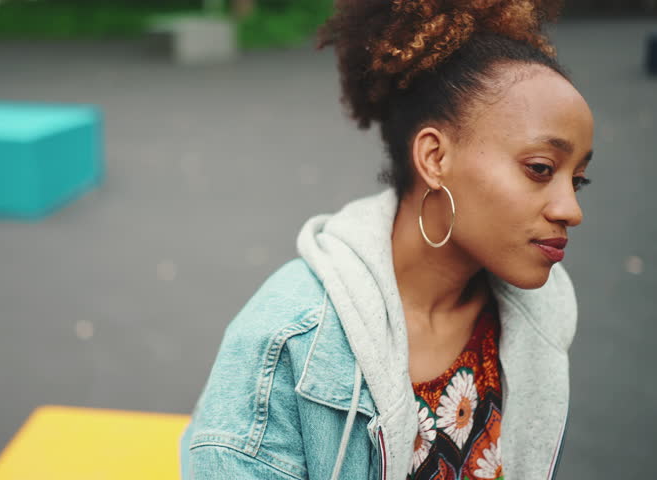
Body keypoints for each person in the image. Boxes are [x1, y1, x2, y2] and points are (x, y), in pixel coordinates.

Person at [181, 0, 594, 478]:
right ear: (435, 158)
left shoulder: (541, 313)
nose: (571, 210)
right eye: (540, 169)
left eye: (577, 180)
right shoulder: (288, 343)